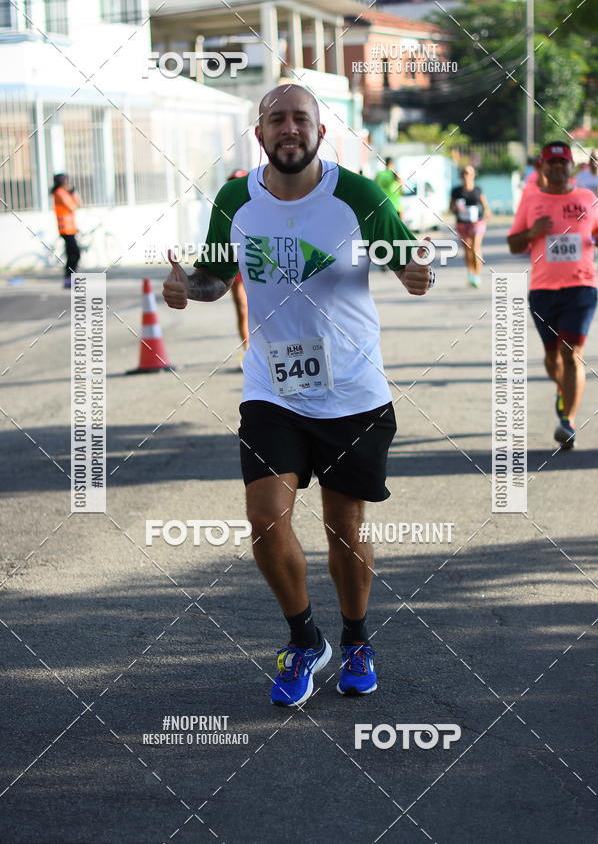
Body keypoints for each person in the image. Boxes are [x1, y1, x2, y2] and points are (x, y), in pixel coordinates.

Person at [163, 84, 433, 707]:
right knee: (265, 517)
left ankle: (357, 637)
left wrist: (419, 273)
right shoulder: (236, 198)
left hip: (352, 392)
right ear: (260, 133)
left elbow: (404, 263)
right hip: (271, 390)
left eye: (301, 119)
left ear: (320, 131)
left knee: (345, 526)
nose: (290, 128)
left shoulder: (358, 194)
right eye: (277, 119)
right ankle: (304, 638)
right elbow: (214, 277)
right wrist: (188, 289)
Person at [507, 141, 598, 449]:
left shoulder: (588, 198)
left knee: (571, 353)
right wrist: (533, 232)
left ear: (571, 166)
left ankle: (568, 423)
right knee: (552, 357)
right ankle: (564, 389)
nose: (558, 168)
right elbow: (514, 244)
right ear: (542, 167)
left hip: (582, 287)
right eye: (552, 163)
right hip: (543, 290)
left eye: (563, 163)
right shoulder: (531, 199)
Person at [450, 165, 491, 288]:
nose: (466, 176)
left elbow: (485, 206)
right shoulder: (456, 191)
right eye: (464, 173)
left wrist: (486, 211)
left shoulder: (478, 190)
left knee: (476, 246)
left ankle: (477, 275)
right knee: (468, 249)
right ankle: (471, 273)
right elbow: (450, 207)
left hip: (477, 222)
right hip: (462, 223)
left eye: (469, 173)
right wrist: (456, 208)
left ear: (473, 175)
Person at [227, 170, 250, 355]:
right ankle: (248, 352)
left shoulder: (261, 206)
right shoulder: (225, 209)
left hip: (259, 265)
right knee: (242, 309)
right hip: (237, 266)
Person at [51, 173, 81, 289]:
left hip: (70, 229)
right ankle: (69, 279)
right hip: (65, 230)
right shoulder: (60, 192)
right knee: (75, 254)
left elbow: (78, 205)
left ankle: (69, 280)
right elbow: (73, 207)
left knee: (72, 254)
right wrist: (73, 192)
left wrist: (72, 192)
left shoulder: (63, 192)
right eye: (65, 181)